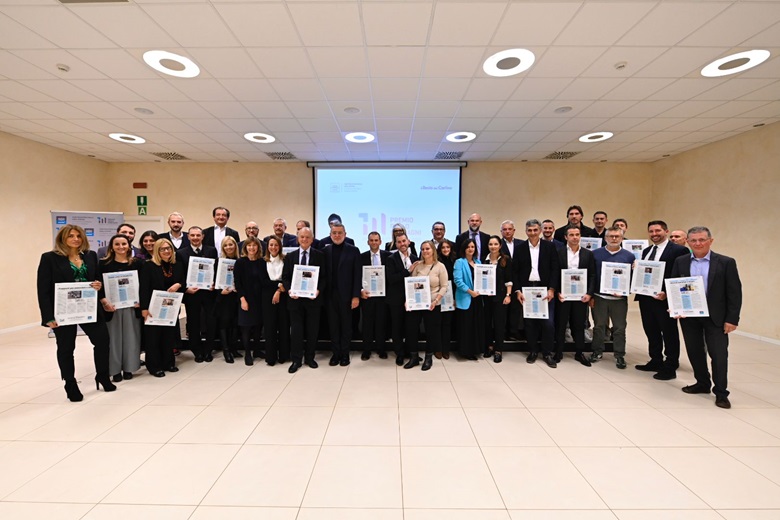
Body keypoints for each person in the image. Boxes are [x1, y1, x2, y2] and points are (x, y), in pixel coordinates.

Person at [37, 225, 116, 401]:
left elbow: (95, 279)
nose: (76, 239)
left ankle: (102, 376)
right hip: (63, 311)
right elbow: (43, 290)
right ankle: (70, 384)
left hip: (88, 308)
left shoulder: (90, 255)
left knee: (103, 342)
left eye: (79, 236)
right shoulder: (49, 258)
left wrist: (97, 285)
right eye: (71, 236)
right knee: (66, 348)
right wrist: (48, 316)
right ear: (62, 238)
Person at [671, 226, 742, 409]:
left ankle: (721, 392)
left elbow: (734, 293)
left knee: (718, 355)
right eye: (693, 240)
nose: (698, 243)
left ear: (710, 241)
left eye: (702, 240)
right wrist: (675, 307)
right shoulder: (681, 261)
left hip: (716, 317)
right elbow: (675, 286)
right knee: (695, 352)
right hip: (690, 316)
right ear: (688, 242)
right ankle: (702, 383)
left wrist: (732, 319)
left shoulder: (726, 262)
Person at [634, 220, 690, 380]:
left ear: (666, 231)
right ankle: (655, 360)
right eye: (651, 231)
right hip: (646, 298)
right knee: (650, 330)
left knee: (669, 332)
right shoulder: (646, 251)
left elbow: (681, 275)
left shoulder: (679, 250)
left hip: (665, 299)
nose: (654, 234)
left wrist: (667, 292)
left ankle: (671, 365)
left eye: (657, 231)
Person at [513, 220, 558, 368]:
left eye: (535, 230)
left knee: (548, 323)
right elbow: (516, 272)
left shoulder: (549, 247)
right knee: (530, 323)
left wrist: (552, 289)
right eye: (529, 230)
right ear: (526, 231)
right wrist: (518, 291)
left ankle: (547, 353)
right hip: (527, 290)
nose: (532, 233)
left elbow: (554, 269)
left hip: (545, 289)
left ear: (540, 231)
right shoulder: (519, 248)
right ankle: (532, 351)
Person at [282, 227, 327, 373]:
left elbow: (325, 277)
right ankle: (296, 360)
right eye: (302, 237)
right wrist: (290, 290)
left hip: (313, 300)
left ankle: (310, 358)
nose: (305, 240)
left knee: (312, 330)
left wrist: (319, 290)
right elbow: (286, 277)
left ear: (312, 239)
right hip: (295, 300)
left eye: (307, 237)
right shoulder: (290, 256)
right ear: (297, 239)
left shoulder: (320, 256)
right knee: (296, 331)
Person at [99, 234, 142, 382]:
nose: (121, 247)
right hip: (112, 308)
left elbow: (143, 284)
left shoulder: (137, 263)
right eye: (117, 244)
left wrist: (140, 300)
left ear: (129, 245)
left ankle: (129, 368)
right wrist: (104, 301)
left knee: (132, 338)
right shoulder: (103, 264)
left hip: (132, 306)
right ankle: (115, 370)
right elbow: (100, 286)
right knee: (114, 340)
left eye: (124, 244)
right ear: (111, 247)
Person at [590, 226, 635, 369]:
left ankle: (619, 355)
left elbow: (632, 278)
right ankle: (597, 351)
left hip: (619, 300)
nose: (614, 239)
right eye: (611, 236)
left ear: (622, 238)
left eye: (617, 236)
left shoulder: (629, 256)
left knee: (620, 328)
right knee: (599, 326)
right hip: (599, 297)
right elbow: (592, 277)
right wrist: (591, 295)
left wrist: (625, 290)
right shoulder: (595, 254)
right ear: (605, 238)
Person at [139, 238, 185, 377]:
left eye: (169, 248)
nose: (166, 251)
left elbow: (183, 279)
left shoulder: (176, 264)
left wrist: (179, 284)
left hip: (171, 307)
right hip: (153, 307)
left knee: (168, 336)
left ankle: (169, 363)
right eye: (163, 249)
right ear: (157, 251)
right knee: (153, 337)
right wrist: (144, 309)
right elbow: (144, 288)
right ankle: (154, 366)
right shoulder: (148, 266)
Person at [176, 226, 219, 363]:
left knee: (211, 321)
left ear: (202, 236)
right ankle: (197, 350)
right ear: (188, 237)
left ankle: (208, 350)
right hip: (192, 294)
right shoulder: (181, 253)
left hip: (208, 293)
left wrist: (214, 283)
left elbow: (215, 269)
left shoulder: (211, 250)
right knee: (193, 323)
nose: (195, 238)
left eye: (198, 235)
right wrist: (186, 288)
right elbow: (180, 274)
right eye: (192, 235)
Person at [554, 227, 596, 366]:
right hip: (563, 296)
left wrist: (589, 293)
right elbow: (554, 274)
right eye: (571, 235)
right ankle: (558, 352)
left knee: (578, 325)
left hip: (580, 296)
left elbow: (592, 275)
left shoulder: (588, 254)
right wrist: (557, 292)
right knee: (560, 325)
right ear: (566, 237)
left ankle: (579, 352)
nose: (575, 237)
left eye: (577, 235)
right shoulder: (558, 253)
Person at [323, 223, 362, 366]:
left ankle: (345, 354)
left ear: (345, 234)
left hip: (347, 296)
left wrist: (356, 296)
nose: (337, 235)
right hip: (330, 296)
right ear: (330, 234)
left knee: (346, 326)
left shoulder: (353, 251)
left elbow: (357, 275)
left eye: (340, 233)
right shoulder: (325, 251)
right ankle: (335, 354)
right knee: (333, 326)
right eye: (334, 233)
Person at [406, 240, 448, 370]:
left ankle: (428, 358)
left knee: (432, 331)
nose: (425, 251)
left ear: (433, 250)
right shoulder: (417, 266)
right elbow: (411, 284)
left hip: (433, 304)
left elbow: (444, 286)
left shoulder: (440, 266)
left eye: (427, 249)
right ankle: (414, 357)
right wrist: (408, 300)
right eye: (423, 249)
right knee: (412, 329)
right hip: (417, 303)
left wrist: (436, 301)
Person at [386, 233, 418, 366]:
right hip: (396, 299)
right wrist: (407, 270)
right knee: (397, 327)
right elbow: (391, 279)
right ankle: (399, 353)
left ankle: (411, 353)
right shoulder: (391, 258)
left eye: (404, 241)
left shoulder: (415, 258)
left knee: (410, 327)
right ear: (396, 244)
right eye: (399, 242)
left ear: (408, 241)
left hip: (412, 299)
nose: (402, 244)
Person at [234, 237, 266, 366]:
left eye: (254, 245)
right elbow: (238, 283)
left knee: (258, 326)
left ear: (258, 247)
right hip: (246, 299)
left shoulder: (262, 262)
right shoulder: (240, 262)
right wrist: (242, 299)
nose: (252, 248)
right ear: (245, 247)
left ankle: (257, 350)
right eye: (249, 246)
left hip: (259, 299)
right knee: (246, 327)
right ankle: (248, 353)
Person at [360, 232, 391, 360]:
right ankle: (366, 350)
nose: (374, 242)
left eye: (376, 240)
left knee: (381, 323)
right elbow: (357, 275)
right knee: (367, 323)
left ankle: (381, 349)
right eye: (371, 240)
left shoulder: (388, 256)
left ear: (380, 241)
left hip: (383, 297)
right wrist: (360, 290)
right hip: (367, 296)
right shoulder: (361, 257)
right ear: (368, 242)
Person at [261, 236, 290, 366]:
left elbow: (287, 277)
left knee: (284, 326)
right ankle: (271, 357)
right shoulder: (262, 261)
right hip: (267, 296)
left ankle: (283, 355)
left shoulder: (286, 259)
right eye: (271, 245)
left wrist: (279, 290)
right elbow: (263, 280)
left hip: (283, 295)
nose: (273, 247)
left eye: (276, 245)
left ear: (280, 246)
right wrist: (277, 287)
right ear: (267, 247)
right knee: (270, 327)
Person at [483, 236, 513, 363]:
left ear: (500, 246)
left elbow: (509, 279)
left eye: (495, 244)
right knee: (487, 324)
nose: (493, 246)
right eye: (490, 244)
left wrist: (508, 295)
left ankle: (498, 350)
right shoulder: (484, 261)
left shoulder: (505, 260)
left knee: (499, 324)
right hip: (486, 298)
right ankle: (489, 347)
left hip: (501, 297)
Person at [453, 238, 484, 360]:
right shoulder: (459, 262)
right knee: (466, 326)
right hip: (466, 297)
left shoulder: (478, 261)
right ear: (464, 249)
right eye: (468, 247)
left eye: (472, 247)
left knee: (476, 325)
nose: (470, 249)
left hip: (477, 298)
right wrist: (470, 292)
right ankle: (465, 351)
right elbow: (458, 281)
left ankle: (476, 349)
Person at [214, 236, 240, 363]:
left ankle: (233, 348)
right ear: (222, 247)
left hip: (236, 296)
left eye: (231, 244)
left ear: (235, 246)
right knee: (224, 323)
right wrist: (220, 290)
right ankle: (226, 350)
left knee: (235, 323)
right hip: (223, 297)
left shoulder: (240, 260)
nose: (229, 247)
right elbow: (214, 280)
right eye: (226, 245)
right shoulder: (218, 262)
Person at [499, 220, 524, 338]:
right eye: (505, 229)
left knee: (516, 307)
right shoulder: (497, 244)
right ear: (501, 231)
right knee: (504, 307)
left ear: (514, 230)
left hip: (519, 278)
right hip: (504, 279)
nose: (507, 231)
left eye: (510, 229)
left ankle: (514, 331)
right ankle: (503, 332)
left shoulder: (522, 244)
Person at [436, 240, 457, 359]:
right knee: (437, 323)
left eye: (447, 247)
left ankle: (446, 349)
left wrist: (454, 297)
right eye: (443, 248)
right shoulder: (436, 262)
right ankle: (438, 349)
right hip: (438, 294)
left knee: (447, 324)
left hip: (450, 295)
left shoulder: (455, 261)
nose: (445, 249)